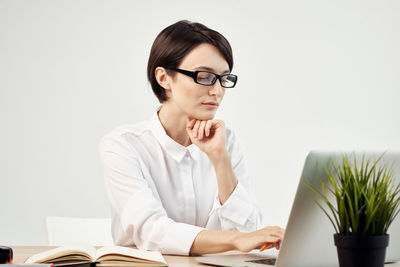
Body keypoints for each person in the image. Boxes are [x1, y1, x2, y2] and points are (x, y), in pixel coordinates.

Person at [99, 20, 284, 256]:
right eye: (204, 76)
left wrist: (220, 160)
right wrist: (236, 239)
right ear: (164, 78)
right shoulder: (123, 145)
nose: (217, 91)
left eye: (223, 78)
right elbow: (150, 230)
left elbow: (249, 231)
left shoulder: (225, 141)